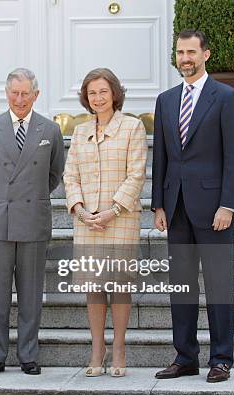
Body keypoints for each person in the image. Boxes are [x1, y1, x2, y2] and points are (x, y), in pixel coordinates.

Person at [152, 30, 234, 383]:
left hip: (214, 209)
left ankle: (221, 358)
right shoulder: (165, 100)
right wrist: (158, 204)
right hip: (175, 206)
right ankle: (185, 357)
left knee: (219, 285)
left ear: (206, 54)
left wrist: (229, 205)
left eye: (192, 52)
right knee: (181, 287)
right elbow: (160, 155)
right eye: (180, 52)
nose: (185, 58)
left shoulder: (225, 97)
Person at [0, 68, 65, 376]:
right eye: (14, 93)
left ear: (36, 95)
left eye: (25, 93)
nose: (19, 99)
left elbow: (54, 175)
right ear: (6, 93)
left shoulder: (50, 130)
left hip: (33, 219)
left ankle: (28, 355)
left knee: (30, 294)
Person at [63, 68, 147, 377]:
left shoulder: (132, 127)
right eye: (92, 93)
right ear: (86, 98)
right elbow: (70, 175)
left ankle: (119, 348)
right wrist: (82, 211)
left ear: (114, 93)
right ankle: (97, 348)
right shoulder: (81, 131)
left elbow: (136, 174)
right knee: (93, 287)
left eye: (103, 91)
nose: (98, 98)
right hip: (87, 222)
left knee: (119, 285)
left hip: (120, 218)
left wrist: (111, 211)